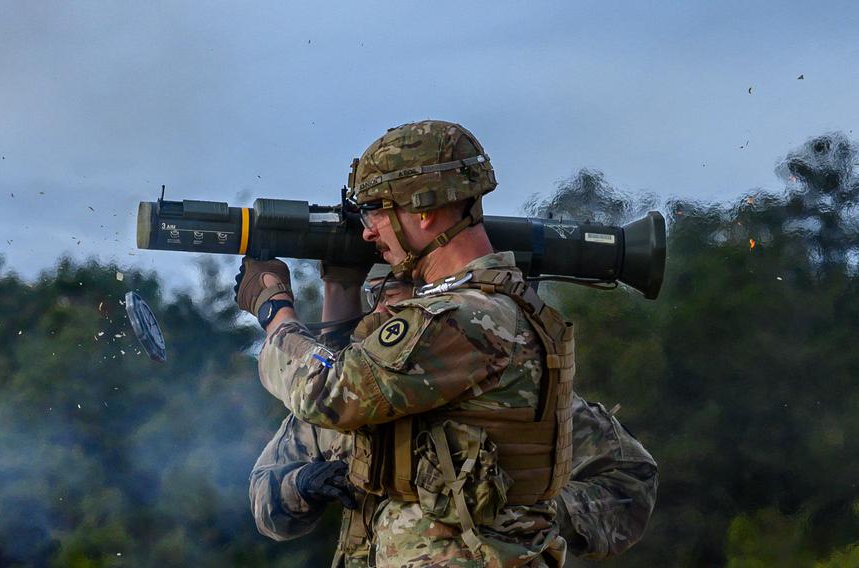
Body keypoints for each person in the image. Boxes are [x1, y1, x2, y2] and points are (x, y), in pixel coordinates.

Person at [237, 120, 657, 567]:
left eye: (377, 210)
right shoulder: (470, 315)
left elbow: (327, 389)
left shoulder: (466, 316)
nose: (368, 231)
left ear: (423, 209)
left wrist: (274, 310)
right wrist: (301, 486)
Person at [249, 266, 658, 567]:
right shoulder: (348, 400)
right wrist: (300, 486)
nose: (390, 313)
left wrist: (534, 506)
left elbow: (631, 481)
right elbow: (264, 501)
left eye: (405, 296)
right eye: (380, 297)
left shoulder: (519, 406)